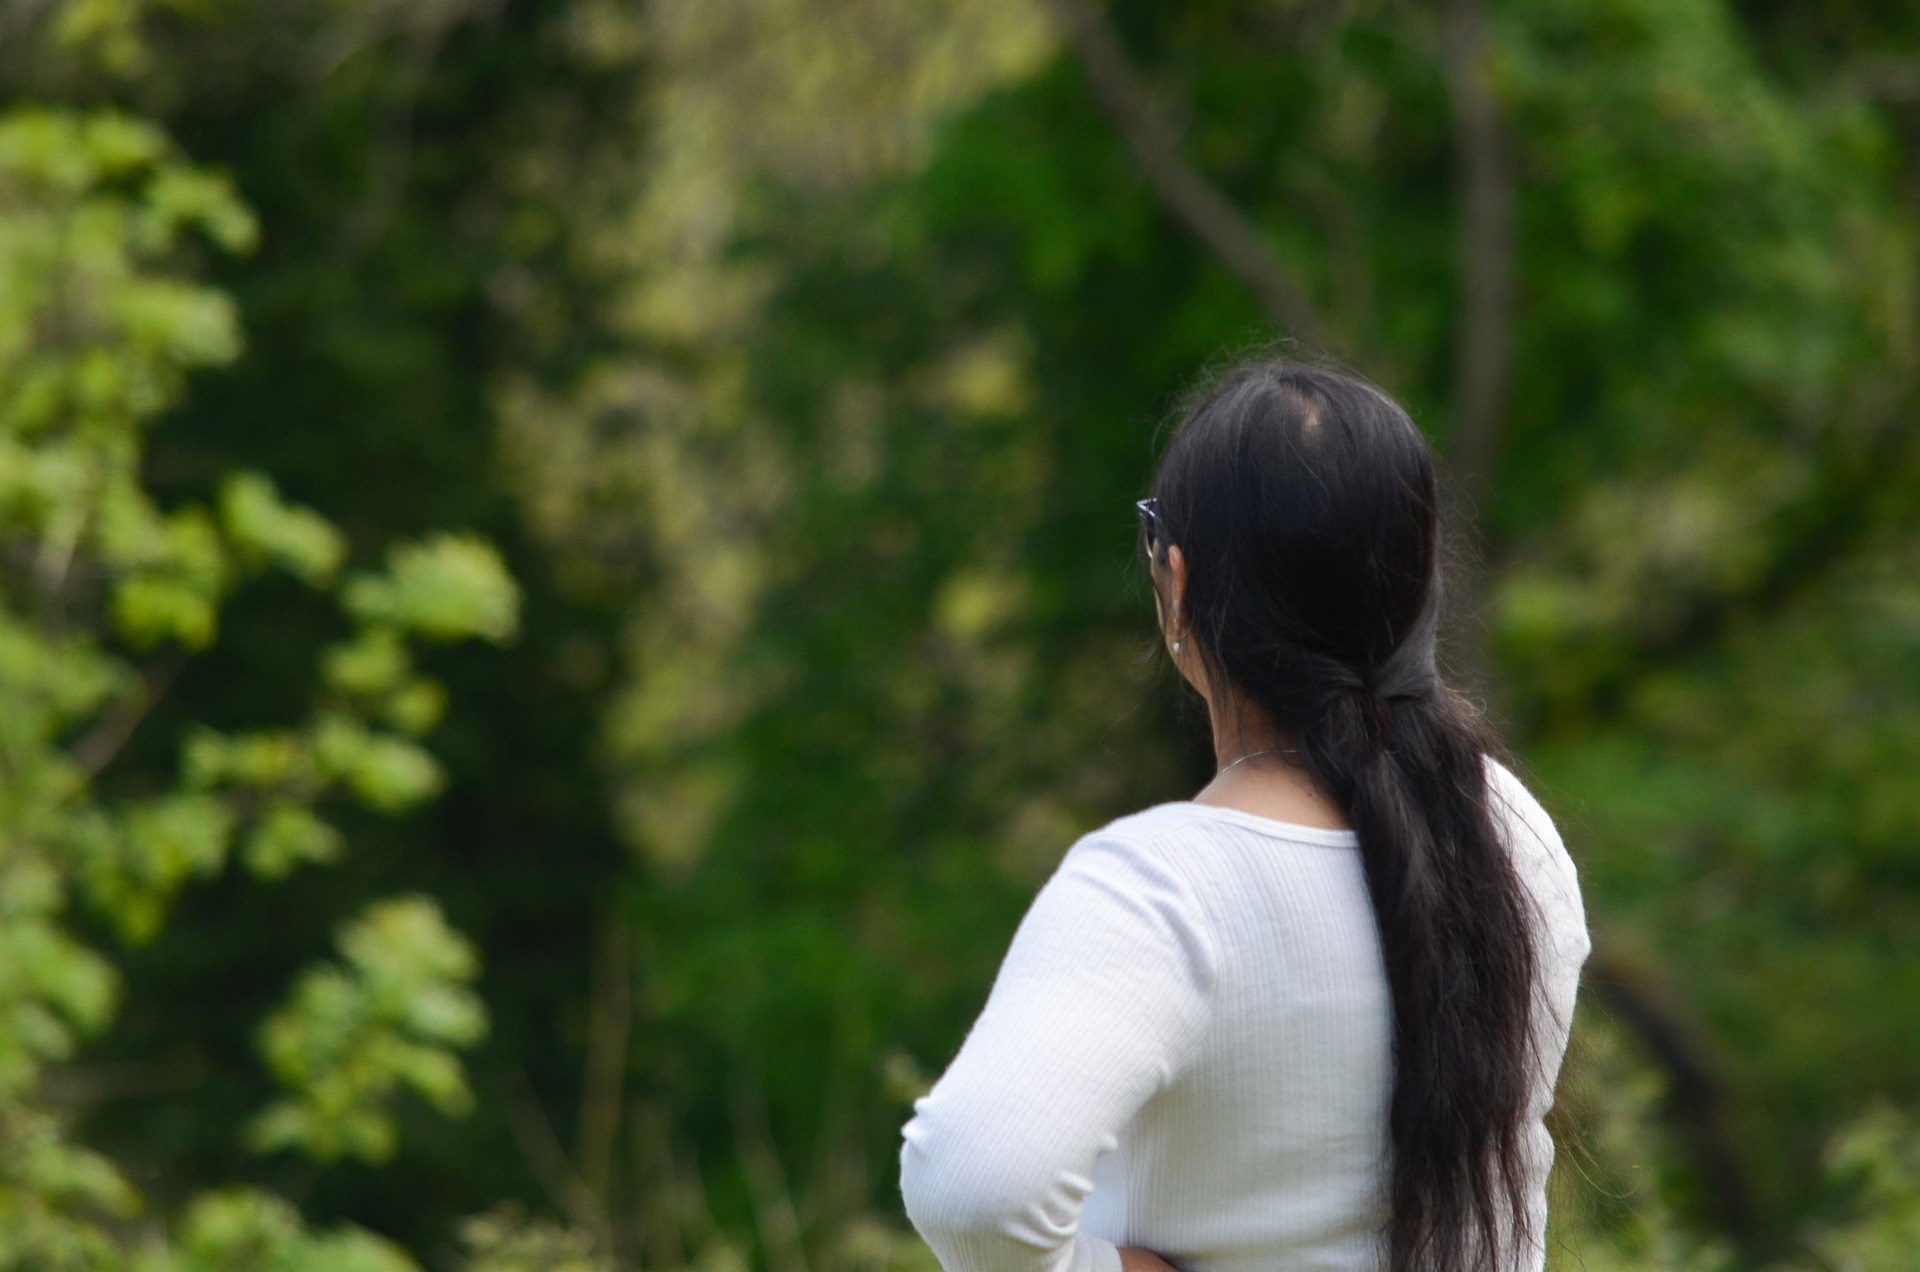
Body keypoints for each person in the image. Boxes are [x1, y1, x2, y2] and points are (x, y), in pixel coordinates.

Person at [896, 358, 1590, 1272]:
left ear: (1178, 582)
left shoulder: (1161, 891)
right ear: (1417, 585)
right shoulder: (1508, 831)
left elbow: (974, 1190)